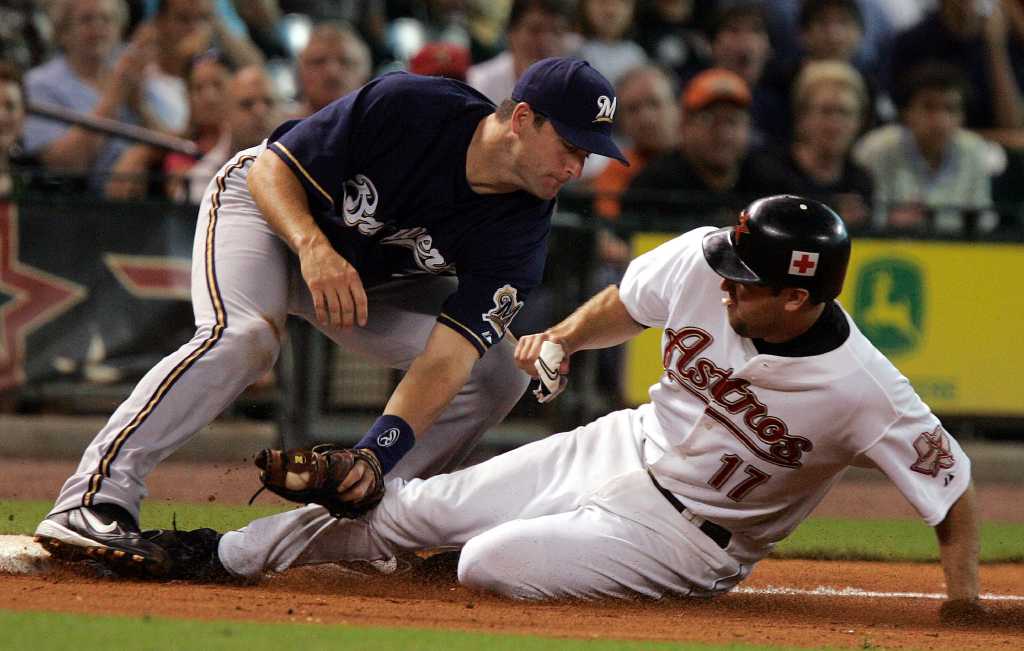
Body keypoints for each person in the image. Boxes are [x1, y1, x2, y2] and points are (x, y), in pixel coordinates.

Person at [137, 195, 983, 625]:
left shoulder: (863, 386)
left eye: (748, 279)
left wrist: (964, 603)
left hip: (691, 538)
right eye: (728, 263)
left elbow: (952, 491)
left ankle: (487, 544)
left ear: (799, 298)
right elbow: (628, 301)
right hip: (624, 443)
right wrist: (568, 338)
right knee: (410, 506)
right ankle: (221, 553)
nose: (724, 280)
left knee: (483, 562)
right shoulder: (702, 263)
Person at [32, 57, 630, 573]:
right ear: (523, 119)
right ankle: (92, 498)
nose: (578, 167)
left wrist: (373, 454)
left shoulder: (524, 226)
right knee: (244, 338)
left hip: (362, 280)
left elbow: (448, 360)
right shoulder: (414, 105)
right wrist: (313, 247)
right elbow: (272, 169)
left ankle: (371, 514)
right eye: (571, 146)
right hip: (268, 214)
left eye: (589, 153)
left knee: (497, 370)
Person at [622, 68, 795, 226]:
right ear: (684, 125)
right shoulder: (653, 187)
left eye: (732, 121)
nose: (723, 134)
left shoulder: (771, 185)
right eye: (710, 120)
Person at [22, 0, 156, 194]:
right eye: (87, 20)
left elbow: (173, 138)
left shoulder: (132, 73)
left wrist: (141, 149)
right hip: (77, 206)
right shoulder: (39, 84)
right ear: (63, 33)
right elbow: (65, 164)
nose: (98, 28)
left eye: (107, 19)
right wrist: (114, 97)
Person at [854, 62, 1000, 235]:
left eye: (950, 109)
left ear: (962, 117)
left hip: (959, 252)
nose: (940, 120)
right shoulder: (877, 149)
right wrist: (889, 220)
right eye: (929, 107)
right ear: (906, 112)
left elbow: (985, 220)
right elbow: (867, 216)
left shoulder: (975, 151)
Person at [887, 0, 1024, 148]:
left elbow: (1012, 124)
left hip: (994, 149)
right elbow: (906, 121)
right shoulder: (912, 42)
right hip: (928, 149)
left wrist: (996, 49)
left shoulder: (1003, 39)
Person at [779, 60, 873, 230]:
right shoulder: (770, 173)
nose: (834, 124)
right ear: (802, 117)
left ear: (859, 123)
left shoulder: (861, 182)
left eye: (845, 113)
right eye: (826, 111)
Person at [466, 0, 574, 105]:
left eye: (555, 31)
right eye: (535, 30)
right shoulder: (482, 81)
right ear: (511, 32)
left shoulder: (572, 84)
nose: (546, 41)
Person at [288, 22, 372, 118]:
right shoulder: (279, 129)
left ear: (365, 74)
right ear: (299, 74)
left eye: (345, 62)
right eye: (318, 62)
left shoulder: (384, 128)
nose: (332, 73)